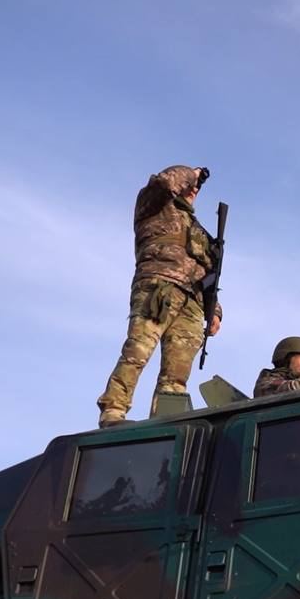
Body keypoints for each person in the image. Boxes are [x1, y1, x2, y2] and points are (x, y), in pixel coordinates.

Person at [96, 165, 221, 428]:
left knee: (177, 374)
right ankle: (113, 411)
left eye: (197, 188)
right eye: (191, 185)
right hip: (158, 289)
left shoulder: (197, 230)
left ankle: (166, 421)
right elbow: (164, 182)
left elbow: (207, 273)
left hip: (192, 301)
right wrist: (192, 173)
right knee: (137, 352)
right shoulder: (155, 205)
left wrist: (215, 311)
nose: (193, 190)